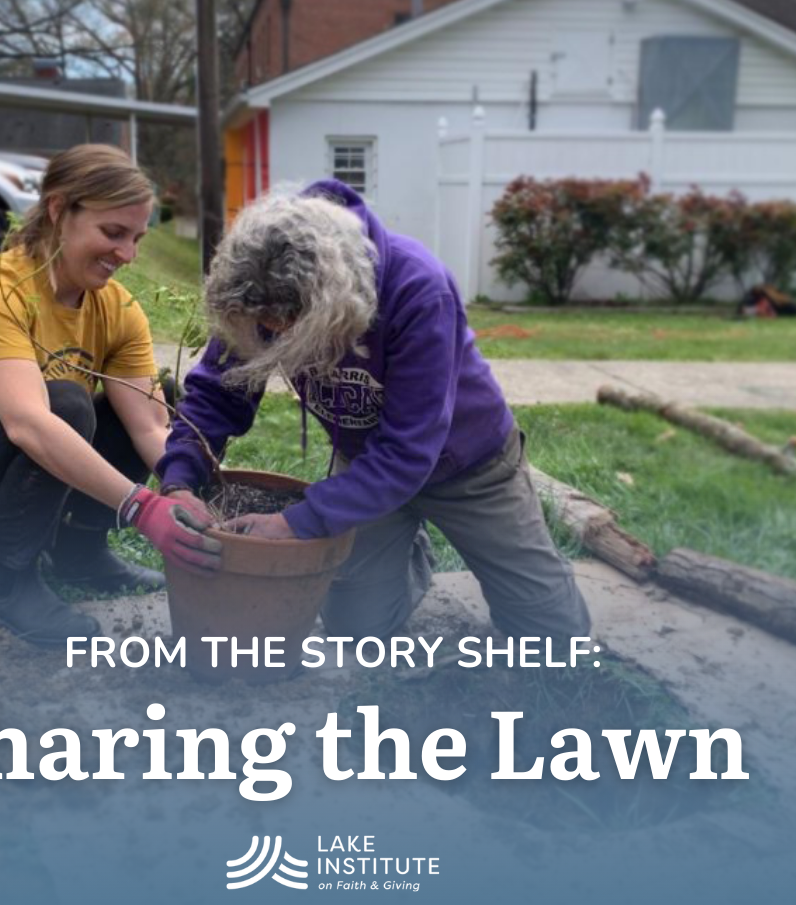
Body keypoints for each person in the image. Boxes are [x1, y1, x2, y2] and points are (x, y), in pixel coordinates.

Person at [157, 180, 590, 642]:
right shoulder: (258, 283)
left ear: (335, 303)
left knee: (553, 638)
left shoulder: (419, 290)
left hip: (468, 467)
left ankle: (513, 576)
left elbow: (409, 450)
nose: (273, 337)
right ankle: (406, 546)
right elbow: (219, 392)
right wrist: (181, 479)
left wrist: (295, 523)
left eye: (289, 331)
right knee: (356, 631)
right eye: (266, 330)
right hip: (367, 466)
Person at [0, 144, 220, 646]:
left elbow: (147, 426)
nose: (127, 255)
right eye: (113, 233)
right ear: (58, 210)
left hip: (8, 497)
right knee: (61, 405)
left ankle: (80, 551)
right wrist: (141, 507)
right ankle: (5, 585)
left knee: (152, 395)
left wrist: (188, 491)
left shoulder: (117, 309)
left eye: (137, 238)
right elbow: (27, 425)